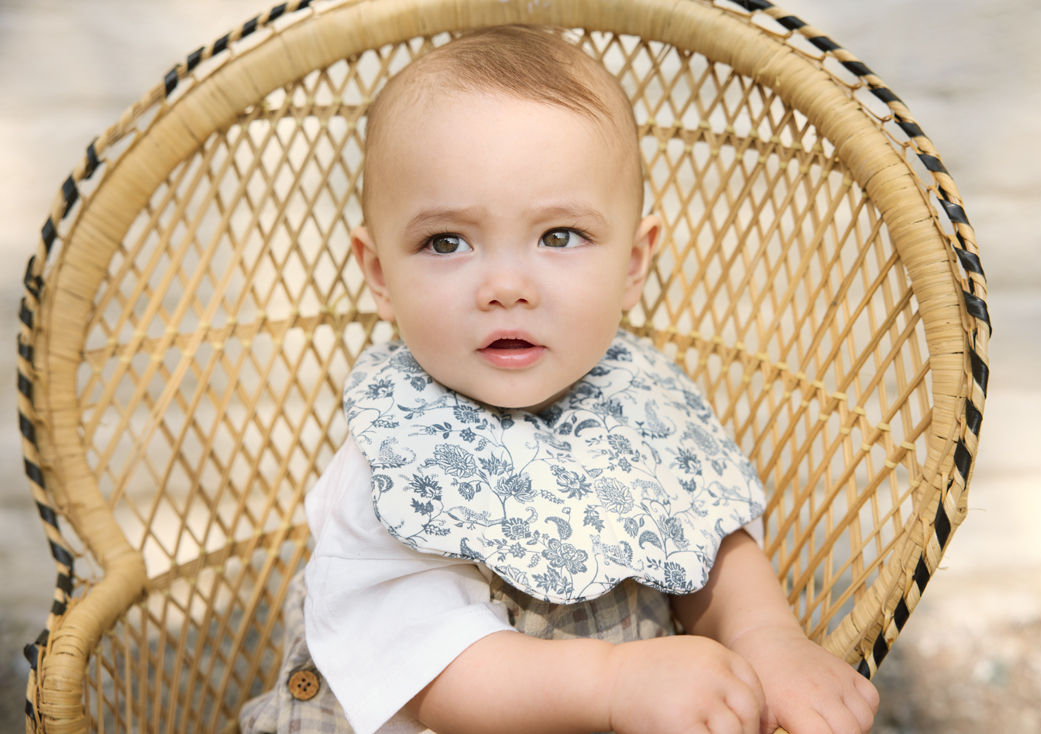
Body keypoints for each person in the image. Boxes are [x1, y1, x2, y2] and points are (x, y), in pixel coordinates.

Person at [243, 24, 878, 734]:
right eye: (446, 242)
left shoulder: (641, 403)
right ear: (380, 274)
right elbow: (432, 673)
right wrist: (613, 683)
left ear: (633, 263)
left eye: (558, 236)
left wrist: (766, 640)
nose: (506, 286)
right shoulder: (395, 465)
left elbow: (709, 542)